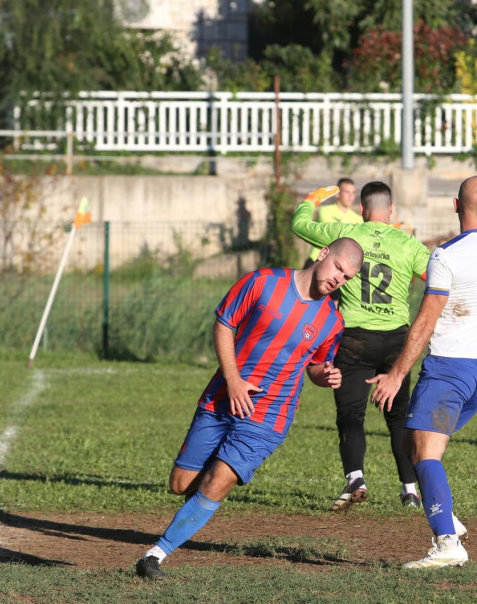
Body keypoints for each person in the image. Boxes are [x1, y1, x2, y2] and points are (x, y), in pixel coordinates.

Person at [135, 237, 364, 579]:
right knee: (181, 485)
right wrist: (233, 379)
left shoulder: (332, 321)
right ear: (323, 254)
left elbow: (316, 365)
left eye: (347, 278)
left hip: (270, 415)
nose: (338, 279)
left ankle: (155, 555)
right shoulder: (262, 282)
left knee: (218, 481)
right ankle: (199, 499)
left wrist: (325, 375)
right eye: (338, 269)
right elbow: (224, 323)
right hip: (222, 398)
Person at [370, 175, 477, 569]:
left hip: (449, 369)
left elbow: (425, 323)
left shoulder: (445, 255)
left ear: (456, 206)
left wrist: (395, 375)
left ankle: (447, 543)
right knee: (415, 440)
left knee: (426, 455)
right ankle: (449, 521)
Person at [291, 181, 430, 511]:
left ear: (362, 210)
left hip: (353, 340)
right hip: (397, 340)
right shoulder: (407, 243)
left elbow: (299, 224)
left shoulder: (346, 233)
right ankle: (410, 489)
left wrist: (312, 199)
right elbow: (437, 280)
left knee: (350, 414)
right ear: (391, 210)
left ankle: (356, 478)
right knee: (398, 419)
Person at [303, 178, 362, 302]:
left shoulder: (358, 219)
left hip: (340, 268)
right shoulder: (325, 211)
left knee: (333, 306)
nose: (351, 196)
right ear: (338, 194)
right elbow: (335, 237)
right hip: (317, 260)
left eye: (353, 192)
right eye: (347, 192)